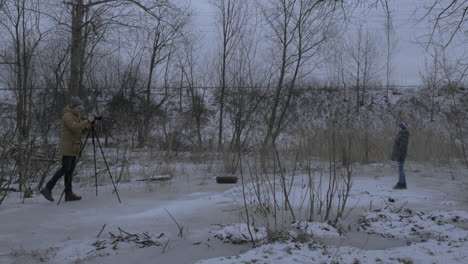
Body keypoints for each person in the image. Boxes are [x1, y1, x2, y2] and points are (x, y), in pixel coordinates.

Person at [40, 97, 95, 202]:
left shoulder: (76, 116)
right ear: (73, 107)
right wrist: (87, 121)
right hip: (68, 147)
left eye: (81, 108)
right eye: (79, 108)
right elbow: (75, 127)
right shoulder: (67, 116)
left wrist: (87, 127)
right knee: (65, 169)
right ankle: (47, 188)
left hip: (74, 146)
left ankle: (68, 194)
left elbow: (79, 132)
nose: (80, 110)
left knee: (69, 171)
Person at [391, 122, 410, 189]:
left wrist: (399, 155)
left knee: (400, 170)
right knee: (401, 169)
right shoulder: (401, 133)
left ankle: (401, 184)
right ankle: (403, 183)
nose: (400, 128)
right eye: (400, 126)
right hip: (399, 154)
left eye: (402, 126)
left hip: (401, 155)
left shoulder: (404, 134)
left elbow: (402, 147)